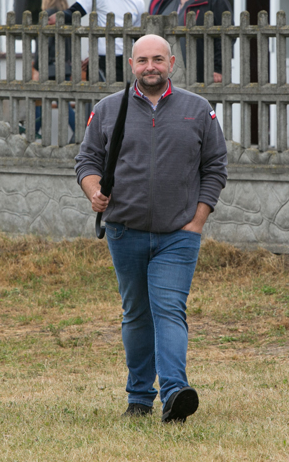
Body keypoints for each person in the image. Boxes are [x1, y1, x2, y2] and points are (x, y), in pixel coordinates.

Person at [75, 34, 228, 422]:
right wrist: (94, 191)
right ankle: (139, 398)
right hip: (124, 231)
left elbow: (215, 167)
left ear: (172, 63)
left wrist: (197, 222)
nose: (150, 67)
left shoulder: (198, 109)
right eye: (142, 60)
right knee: (137, 315)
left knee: (169, 310)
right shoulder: (109, 109)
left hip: (179, 234)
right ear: (132, 65)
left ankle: (175, 393)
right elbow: (87, 160)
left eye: (158, 59)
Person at [67, 0, 145, 82]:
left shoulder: (138, 2)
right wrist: (57, 18)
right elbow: (75, 11)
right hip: (100, 58)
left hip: (125, 60)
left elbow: (137, 37)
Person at [155, 0, 231, 84]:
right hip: (168, 76)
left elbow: (225, 37)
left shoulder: (214, 1)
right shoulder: (167, 0)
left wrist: (218, 68)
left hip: (201, 76)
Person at [31, 0, 75, 139]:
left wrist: (37, 67)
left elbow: (44, 44)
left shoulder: (48, 15)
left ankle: (31, 135)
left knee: (41, 102)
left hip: (49, 67)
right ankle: (80, 133)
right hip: (65, 67)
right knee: (63, 103)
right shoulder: (67, 16)